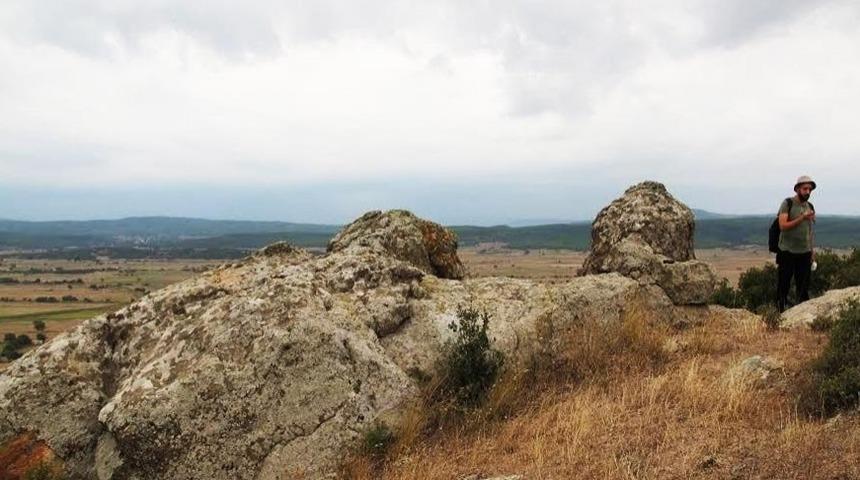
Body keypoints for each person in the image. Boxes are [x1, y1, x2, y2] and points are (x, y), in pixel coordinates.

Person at [776, 175, 816, 312]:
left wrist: (812, 251)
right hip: (787, 251)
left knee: (803, 288)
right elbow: (782, 226)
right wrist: (802, 217)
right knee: (783, 286)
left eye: (810, 189)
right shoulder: (787, 203)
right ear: (797, 189)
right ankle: (779, 314)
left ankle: (802, 317)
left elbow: (809, 230)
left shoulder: (810, 206)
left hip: (804, 253)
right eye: (805, 189)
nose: (808, 192)